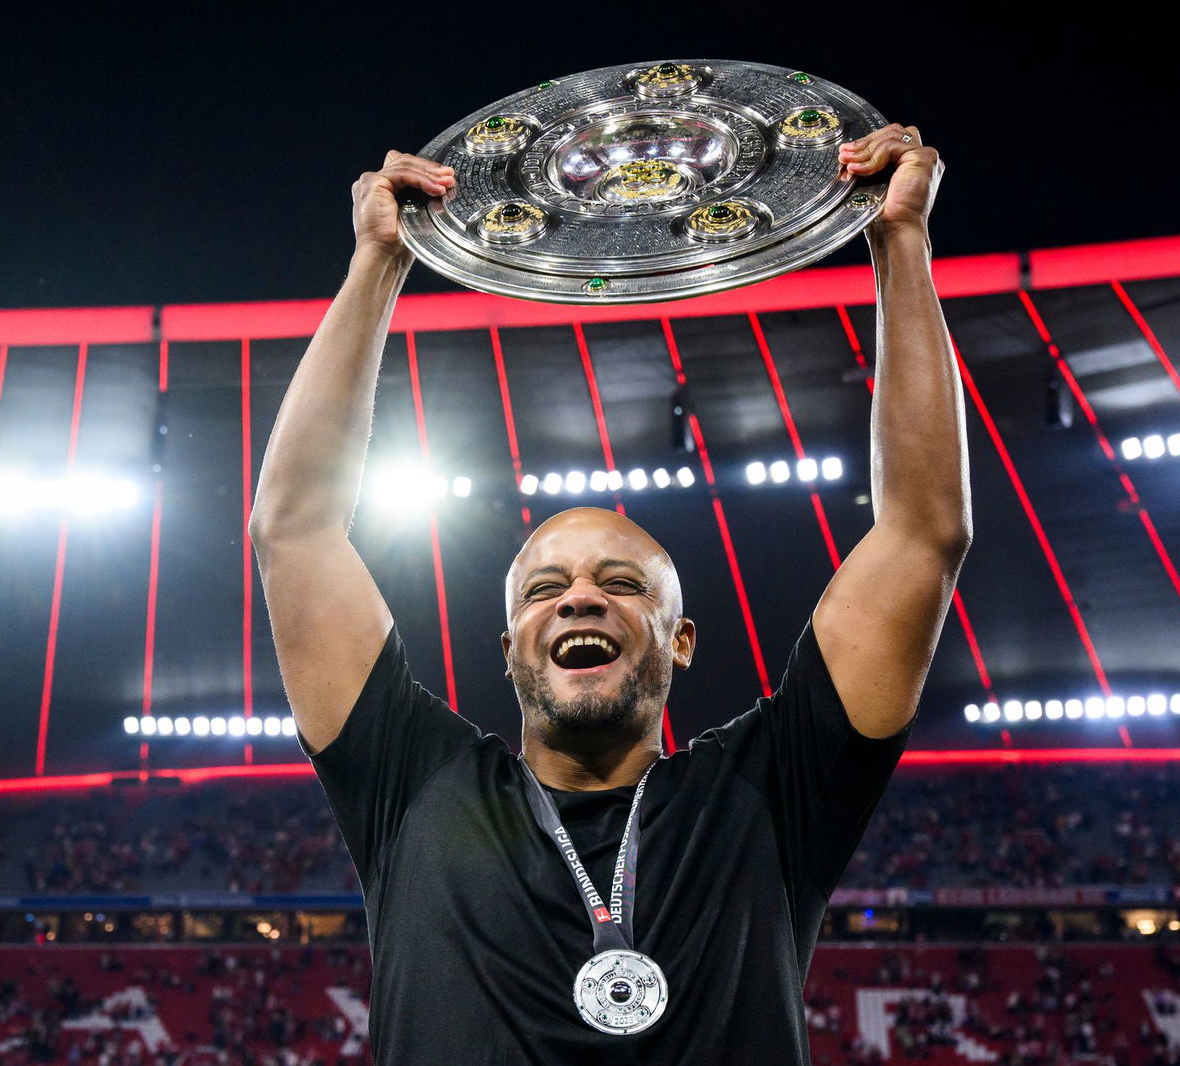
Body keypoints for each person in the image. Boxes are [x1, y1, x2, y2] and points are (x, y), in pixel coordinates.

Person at [249, 123, 969, 1064]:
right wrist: (377, 263)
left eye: (622, 584)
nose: (579, 598)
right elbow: (293, 531)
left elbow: (922, 534)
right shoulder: (413, 781)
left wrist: (901, 241)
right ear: (508, 646)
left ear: (680, 639)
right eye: (544, 588)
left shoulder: (770, 791)